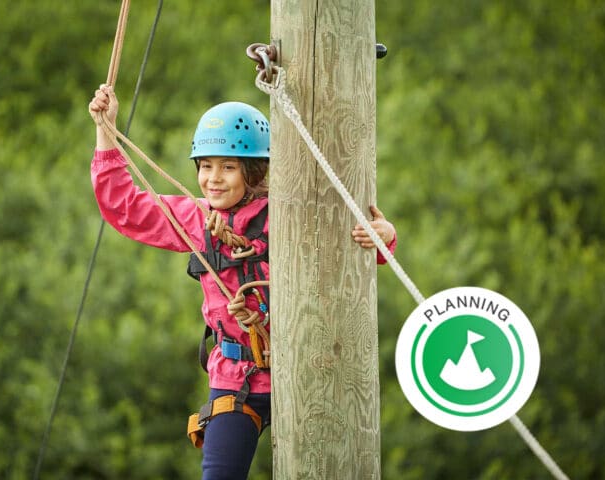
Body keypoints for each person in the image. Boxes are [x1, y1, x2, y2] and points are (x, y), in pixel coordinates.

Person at [88, 84, 396, 480]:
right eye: (205, 166)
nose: (213, 179)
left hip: (306, 369)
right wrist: (105, 130)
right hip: (236, 376)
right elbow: (123, 206)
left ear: (253, 171)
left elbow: (358, 247)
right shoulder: (197, 220)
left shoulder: (289, 215)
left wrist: (384, 235)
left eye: (228, 167)